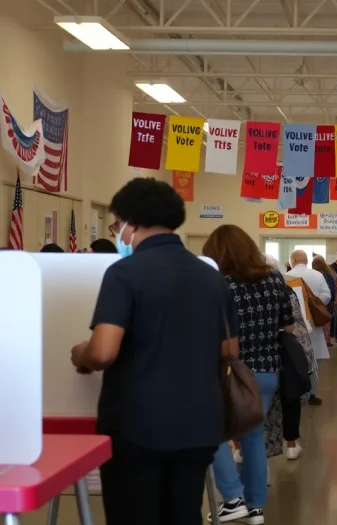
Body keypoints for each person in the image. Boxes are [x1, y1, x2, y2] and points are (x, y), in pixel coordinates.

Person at [69, 178, 231, 525]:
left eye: (117, 225)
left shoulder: (124, 273)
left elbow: (102, 352)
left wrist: (81, 354)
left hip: (137, 426)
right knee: (183, 514)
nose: (119, 233)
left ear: (132, 222)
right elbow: (228, 350)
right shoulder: (211, 277)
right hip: (199, 424)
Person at [203, 224, 295, 525]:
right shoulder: (274, 279)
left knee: (211, 431)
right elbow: (289, 326)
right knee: (253, 435)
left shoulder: (219, 283)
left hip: (231, 369)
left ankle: (233, 497)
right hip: (268, 369)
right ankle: (255, 508)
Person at [265, 255, 317, 461]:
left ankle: (261, 448)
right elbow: (297, 326)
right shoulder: (287, 291)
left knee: (265, 402)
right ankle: (291, 444)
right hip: (287, 351)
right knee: (291, 396)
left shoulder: (249, 290)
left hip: (262, 354)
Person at [288, 250, 331, 406]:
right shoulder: (317, 275)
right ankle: (312, 393)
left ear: (292, 260)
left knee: (296, 358)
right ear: (306, 260)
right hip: (313, 322)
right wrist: (314, 304)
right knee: (314, 357)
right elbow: (327, 295)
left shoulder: (287, 276)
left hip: (294, 324)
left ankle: (298, 392)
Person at [312, 255, 337, 347]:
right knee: (327, 323)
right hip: (328, 302)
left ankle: (319, 341)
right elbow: (332, 289)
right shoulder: (329, 274)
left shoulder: (315, 275)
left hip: (316, 303)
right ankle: (326, 340)